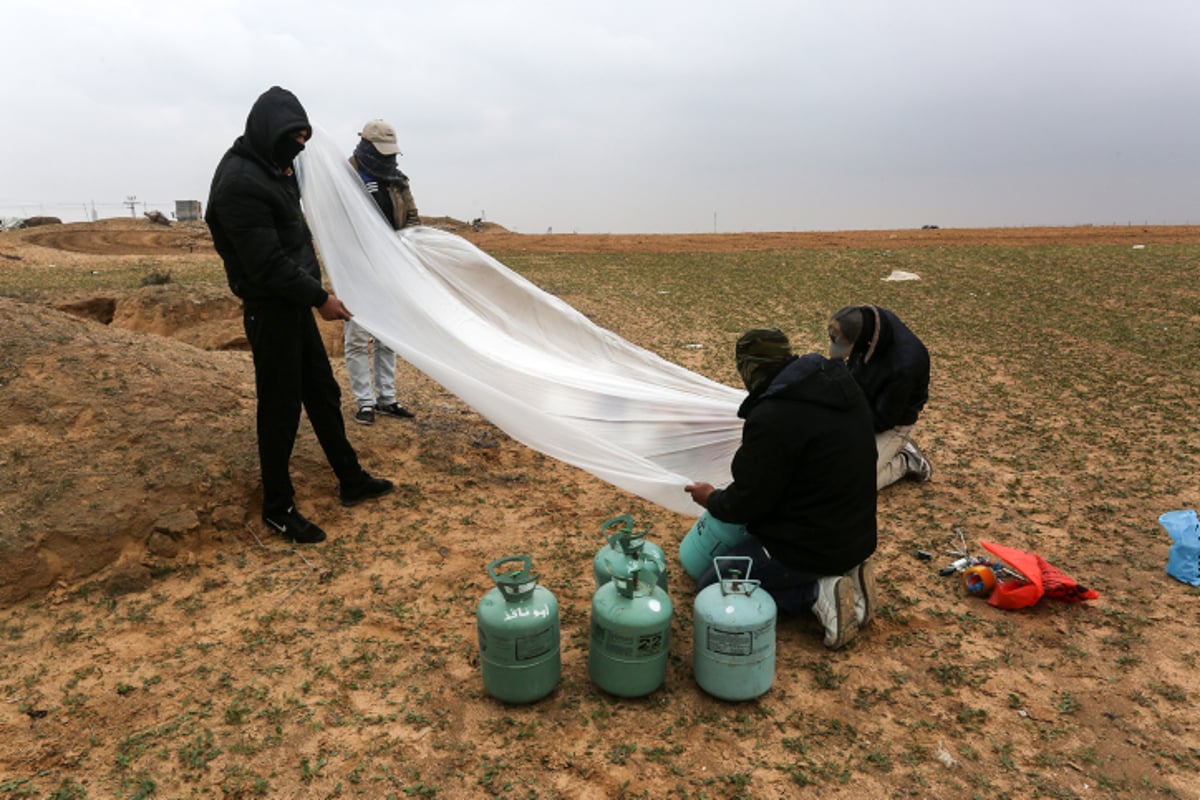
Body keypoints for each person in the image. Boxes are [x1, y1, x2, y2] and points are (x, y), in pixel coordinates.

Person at [206, 86, 394, 544]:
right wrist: (319, 297)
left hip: (294, 306)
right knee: (280, 409)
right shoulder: (240, 185)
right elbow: (267, 264)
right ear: (267, 132)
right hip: (272, 313)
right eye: (292, 138)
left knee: (323, 394)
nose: (299, 147)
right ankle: (278, 507)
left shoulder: (274, 167)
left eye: (303, 137)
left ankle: (351, 480)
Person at [684, 329, 878, 649]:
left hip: (808, 547)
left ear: (750, 368)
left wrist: (712, 499)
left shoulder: (774, 417)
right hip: (858, 531)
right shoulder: (838, 384)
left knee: (714, 585)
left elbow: (747, 503)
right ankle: (849, 573)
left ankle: (817, 591)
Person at [343, 119, 420, 426]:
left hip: (391, 269)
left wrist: (409, 250)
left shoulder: (397, 180)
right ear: (367, 147)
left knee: (389, 336)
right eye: (383, 152)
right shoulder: (345, 177)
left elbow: (411, 218)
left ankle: (386, 399)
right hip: (357, 270)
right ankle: (365, 402)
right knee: (358, 338)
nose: (389, 159)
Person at [827, 304, 932, 490]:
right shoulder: (869, 325)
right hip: (862, 406)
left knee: (855, 483)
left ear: (857, 341)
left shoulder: (903, 366)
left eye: (839, 341)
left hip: (891, 424)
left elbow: (885, 419)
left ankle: (907, 461)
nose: (834, 346)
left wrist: (847, 425)